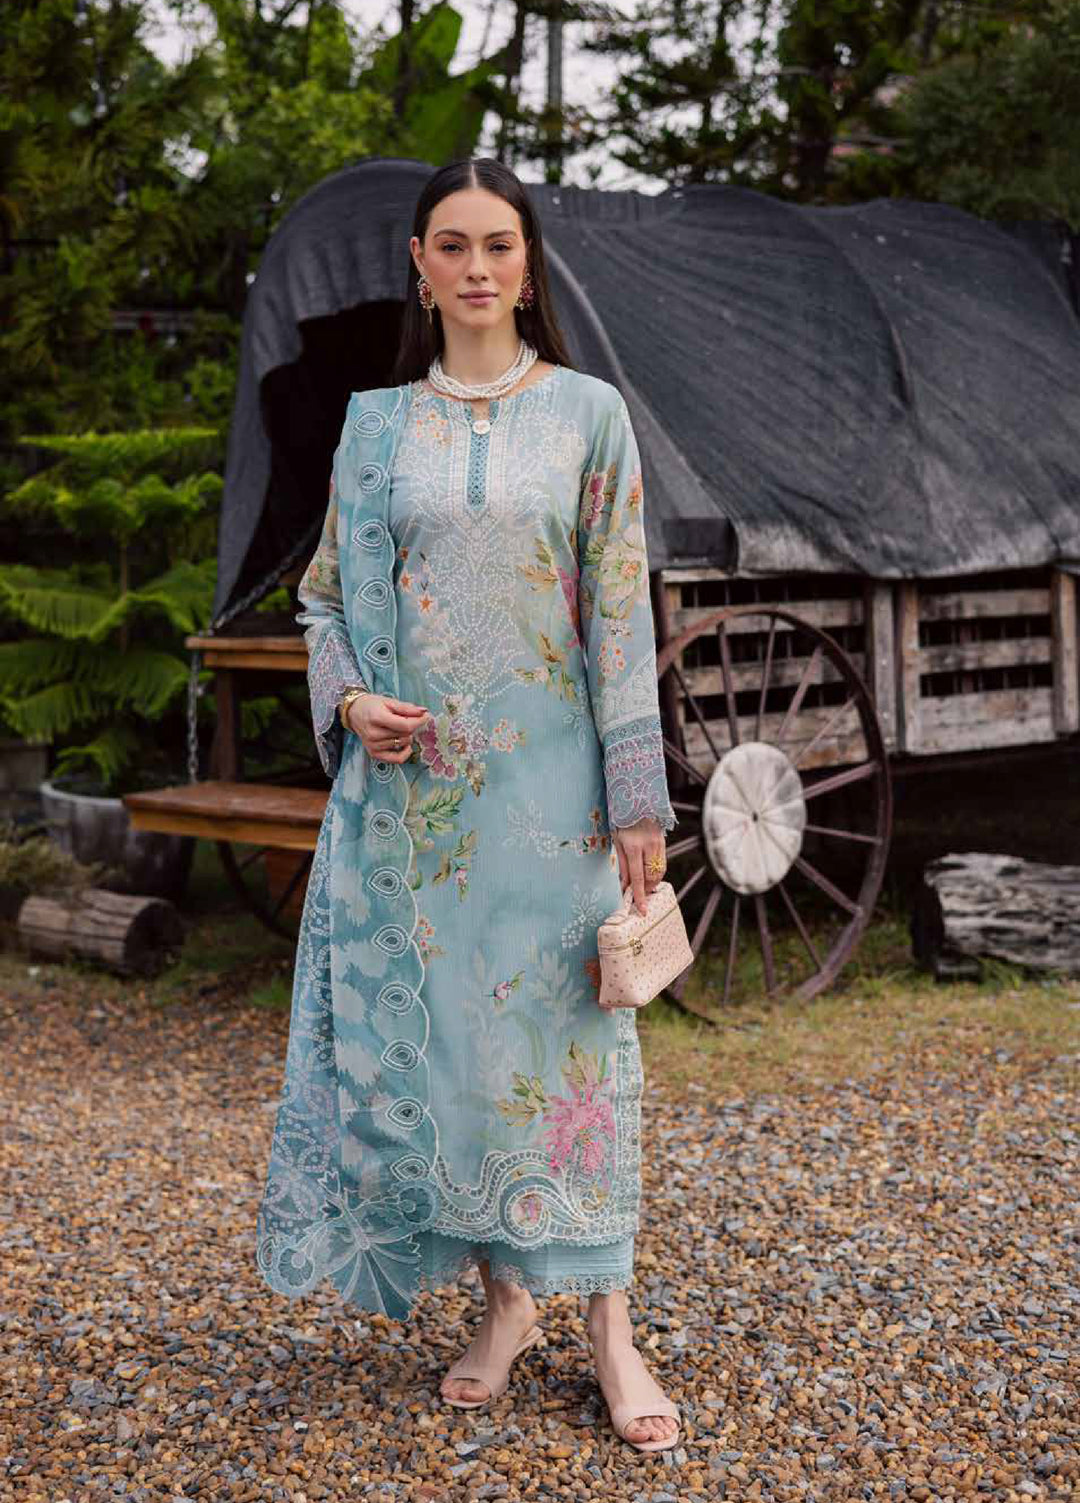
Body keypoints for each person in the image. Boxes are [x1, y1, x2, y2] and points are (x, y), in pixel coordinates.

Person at [255, 156, 682, 1453]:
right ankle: (505, 1305)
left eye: (499, 243)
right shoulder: (377, 427)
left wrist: (638, 801)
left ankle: (610, 1329)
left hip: (559, 806)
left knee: (577, 1051)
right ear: (421, 266)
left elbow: (620, 616)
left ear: (528, 264)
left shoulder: (591, 417)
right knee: (456, 1058)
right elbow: (325, 599)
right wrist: (348, 701)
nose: (478, 266)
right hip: (425, 813)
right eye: (454, 244)